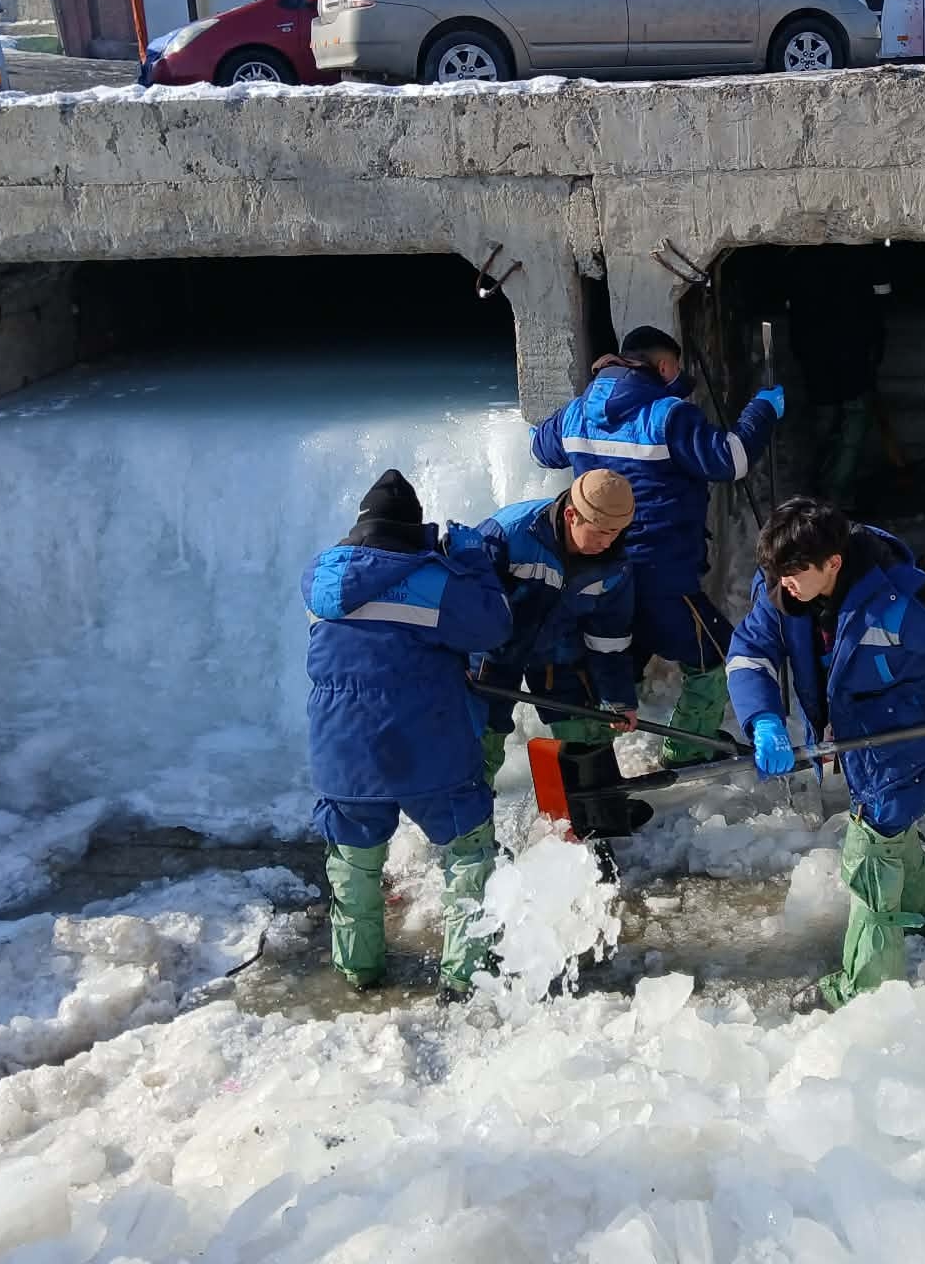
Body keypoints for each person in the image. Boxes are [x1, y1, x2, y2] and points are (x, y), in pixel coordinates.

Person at [727, 497, 925, 1008]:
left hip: (900, 737)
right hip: (849, 735)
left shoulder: (904, 604)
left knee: (870, 855)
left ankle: (867, 990)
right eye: (777, 577)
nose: (785, 589)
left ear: (834, 564)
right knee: (890, 836)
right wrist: (763, 720)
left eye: (795, 575)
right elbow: (750, 651)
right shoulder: (783, 589)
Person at [300, 469, 513, 999]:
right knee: (467, 853)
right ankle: (465, 977)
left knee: (352, 864)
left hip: (342, 751)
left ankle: (359, 970)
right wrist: (472, 564)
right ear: (414, 529)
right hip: (428, 747)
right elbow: (495, 628)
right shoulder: (432, 583)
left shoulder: (320, 582)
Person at [531, 324, 782, 769]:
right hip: (660, 574)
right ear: (664, 366)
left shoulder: (576, 413)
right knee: (721, 658)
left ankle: (589, 770)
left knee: (612, 664)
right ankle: (688, 748)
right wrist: (762, 409)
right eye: (677, 369)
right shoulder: (669, 415)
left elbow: (540, 449)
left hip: (599, 574)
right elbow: (732, 459)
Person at [471, 471, 640, 788]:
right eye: (599, 532)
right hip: (493, 654)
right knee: (478, 744)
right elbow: (460, 604)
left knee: (589, 733)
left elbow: (610, 639)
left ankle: (588, 815)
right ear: (571, 515)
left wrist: (619, 699)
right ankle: (471, 831)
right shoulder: (508, 534)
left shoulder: (615, 566)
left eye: (615, 533)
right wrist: (456, 663)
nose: (607, 542)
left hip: (558, 653)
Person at [786, 247, 890, 510]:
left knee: (826, 418)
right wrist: (876, 342)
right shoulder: (862, 247)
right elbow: (882, 295)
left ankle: (819, 490)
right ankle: (835, 493)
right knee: (852, 417)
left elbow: (790, 301)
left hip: (816, 349)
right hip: (850, 346)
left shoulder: (800, 251)